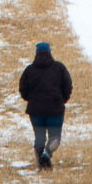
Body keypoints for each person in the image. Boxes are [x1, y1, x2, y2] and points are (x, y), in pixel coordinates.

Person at [18, 40, 72, 169]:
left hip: (35, 111)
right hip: (55, 109)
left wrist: (30, 100)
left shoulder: (29, 70)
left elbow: (23, 89)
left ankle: (41, 163)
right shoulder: (59, 68)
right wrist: (62, 100)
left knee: (39, 137)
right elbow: (68, 86)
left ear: (36, 54)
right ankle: (47, 154)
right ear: (49, 53)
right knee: (55, 137)